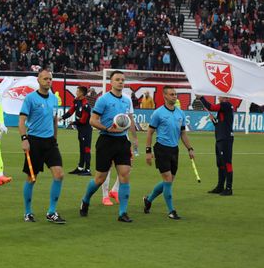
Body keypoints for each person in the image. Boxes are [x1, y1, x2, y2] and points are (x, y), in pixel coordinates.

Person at [79, 70, 135, 222]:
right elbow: (93, 120)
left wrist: (134, 140)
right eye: (117, 79)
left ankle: (122, 213)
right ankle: (85, 200)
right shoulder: (103, 100)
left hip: (122, 141)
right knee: (100, 178)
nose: (120, 82)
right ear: (111, 82)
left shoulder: (127, 100)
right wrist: (107, 128)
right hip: (106, 140)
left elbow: (130, 120)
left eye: (122, 79)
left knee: (125, 175)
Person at [19, 70, 66, 223]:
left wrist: (55, 139)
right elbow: (21, 121)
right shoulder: (30, 98)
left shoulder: (53, 98)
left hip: (50, 143)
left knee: (59, 175)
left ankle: (51, 212)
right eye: (45, 78)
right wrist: (24, 139)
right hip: (34, 142)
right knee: (32, 178)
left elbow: (54, 119)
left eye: (50, 79)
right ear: (38, 80)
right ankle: (27, 212)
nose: (48, 81)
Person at [143, 86, 195, 220]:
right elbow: (149, 132)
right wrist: (148, 151)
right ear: (165, 96)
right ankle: (171, 210)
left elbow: (183, 133)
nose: (174, 96)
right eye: (171, 94)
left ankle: (148, 199)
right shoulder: (158, 113)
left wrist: (190, 148)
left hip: (174, 150)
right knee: (167, 179)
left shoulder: (180, 113)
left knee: (169, 181)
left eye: (175, 94)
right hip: (161, 149)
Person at [199, 95, 235, 195]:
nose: (218, 98)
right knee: (220, 164)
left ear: (226, 98)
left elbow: (211, 107)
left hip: (225, 139)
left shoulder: (226, 105)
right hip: (220, 138)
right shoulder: (225, 107)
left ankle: (228, 188)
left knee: (227, 163)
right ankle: (220, 186)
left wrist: (201, 98)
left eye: (220, 96)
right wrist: (213, 120)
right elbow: (219, 124)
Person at [61, 85, 92, 176]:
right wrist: (61, 118)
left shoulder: (86, 105)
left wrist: (73, 122)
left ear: (82, 93)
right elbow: (71, 111)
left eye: (77, 91)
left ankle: (88, 169)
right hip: (81, 130)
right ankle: (80, 168)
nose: (76, 93)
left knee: (86, 149)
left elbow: (83, 120)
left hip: (86, 130)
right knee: (82, 149)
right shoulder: (76, 101)